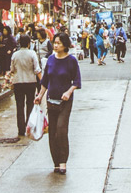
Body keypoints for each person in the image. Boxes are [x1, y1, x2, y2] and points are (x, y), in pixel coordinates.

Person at [34, 33, 81, 175]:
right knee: (52, 132)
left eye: (59, 43)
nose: (56, 45)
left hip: (65, 102)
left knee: (61, 130)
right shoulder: (50, 60)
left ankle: (63, 162)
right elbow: (45, 81)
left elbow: (77, 81)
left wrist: (69, 92)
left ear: (65, 45)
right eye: (55, 42)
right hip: (51, 101)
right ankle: (56, 163)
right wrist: (40, 95)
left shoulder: (71, 60)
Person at [10, 35, 41, 136]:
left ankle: (21, 130)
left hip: (18, 82)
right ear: (29, 43)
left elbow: (12, 70)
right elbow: (37, 69)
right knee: (30, 105)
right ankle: (29, 127)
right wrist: (43, 82)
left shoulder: (15, 55)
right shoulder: (32, 53)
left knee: (19, 106)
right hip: (30, 82)